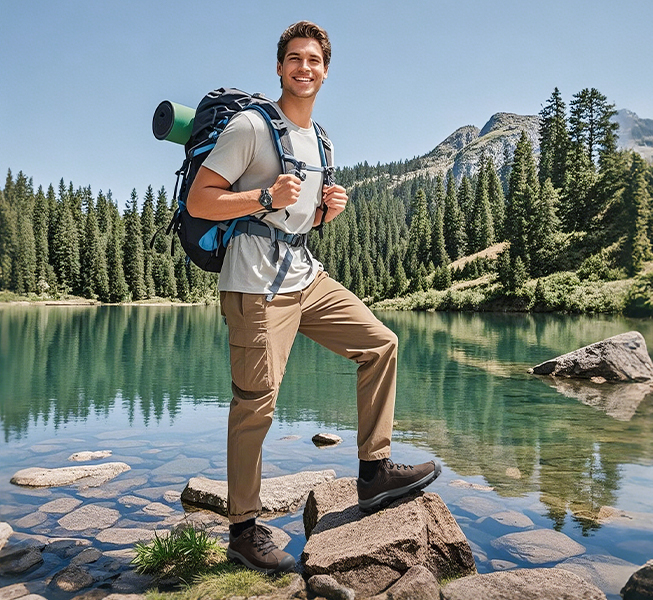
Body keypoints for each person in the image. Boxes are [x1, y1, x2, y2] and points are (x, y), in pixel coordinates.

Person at [186, 20, 441, 574]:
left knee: (380, 344)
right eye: (295, 59)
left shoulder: (320, 137)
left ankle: (373, 472)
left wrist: (327, 209)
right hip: (254, 288)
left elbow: (295, 217)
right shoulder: (252, 128)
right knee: (256, 405)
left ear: (326, 72)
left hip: (305, 277)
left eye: (315, 61)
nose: (306, 68)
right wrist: (261, 195)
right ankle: (244, 531)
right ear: (279, 68)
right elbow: (201, 202)